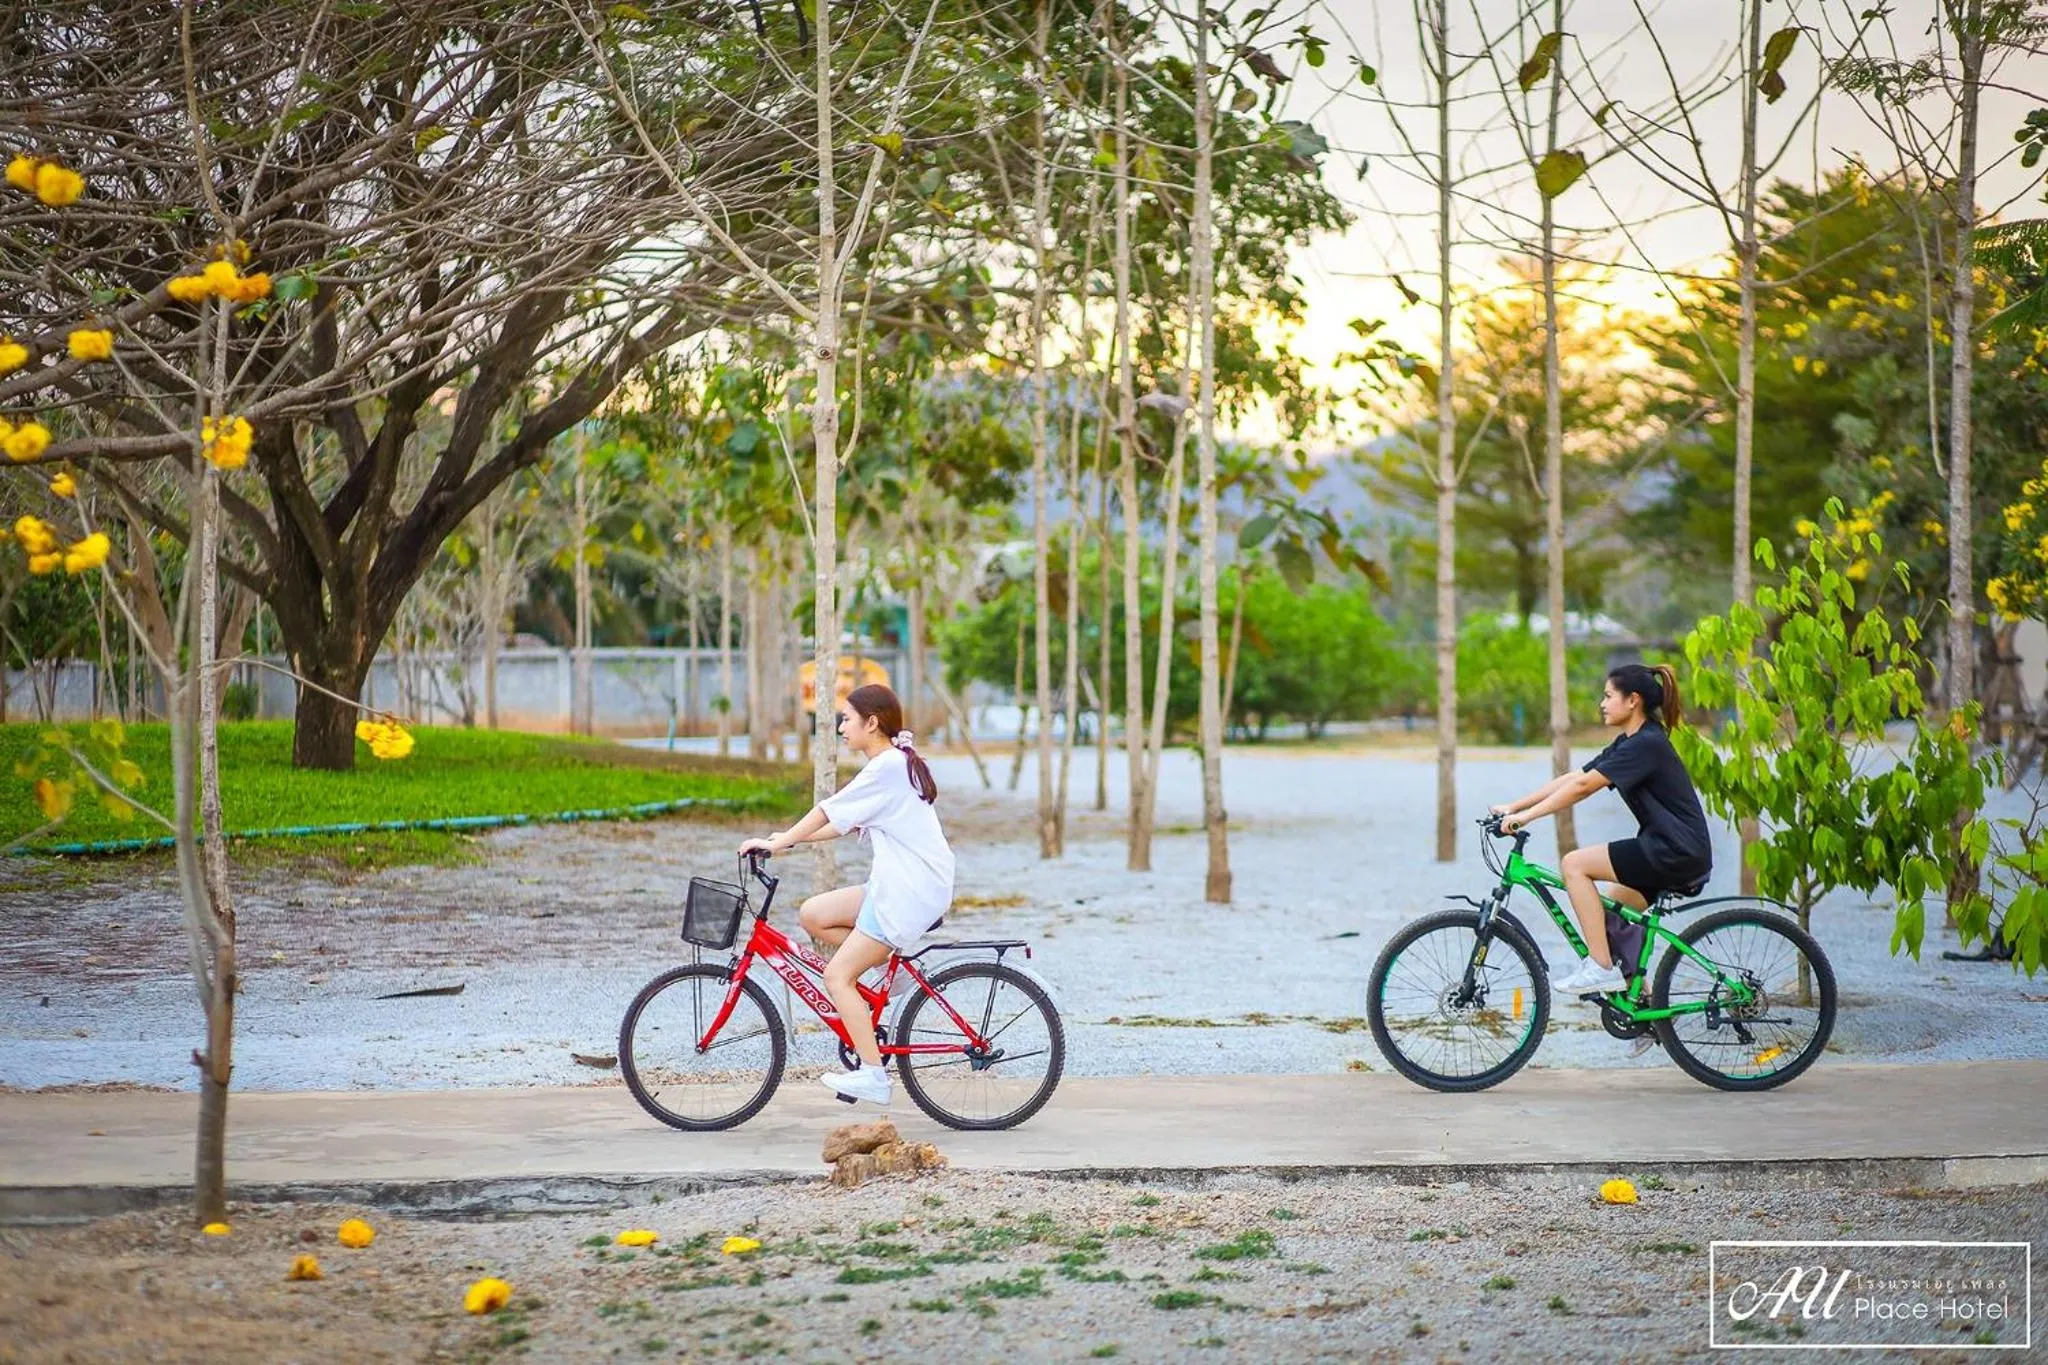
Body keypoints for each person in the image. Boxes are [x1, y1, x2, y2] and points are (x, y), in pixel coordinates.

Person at [739, 683, 953, 1107]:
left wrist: (779, 843)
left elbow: (826, 808)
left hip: (907, 890)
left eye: (847, 719)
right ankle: (888, 971)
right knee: (814, 914)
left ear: (872, 723)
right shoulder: (891, 764)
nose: (840, 726)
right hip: (901, 883)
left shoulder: (886, 767)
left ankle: (874, 1077)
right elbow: (837, 824)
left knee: (838, 976)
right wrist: (783, 841)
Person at [1490, 662, 1712, 998]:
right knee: (1609, 911)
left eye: (1609, 696)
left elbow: (1583, 788)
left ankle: (1600, 967)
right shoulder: (1631, 741)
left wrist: (1527, 818)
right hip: (1671, 848)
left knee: (1574, 864)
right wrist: (1515, 807)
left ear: (1632, 700)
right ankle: (1640, 1001)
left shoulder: (1646, 744)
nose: (1602, 704)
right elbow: (1575, 776)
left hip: (1673, 850)